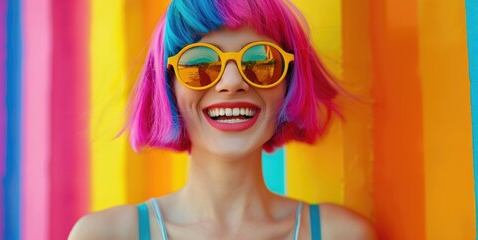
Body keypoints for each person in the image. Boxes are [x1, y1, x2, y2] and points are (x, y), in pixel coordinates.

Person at [69, 0, 376, 239]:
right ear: (168, 86)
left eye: (260, 60)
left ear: (289, 83)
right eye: (200, 62)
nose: (232, 82)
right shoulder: (106, 236)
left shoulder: (343, 235)